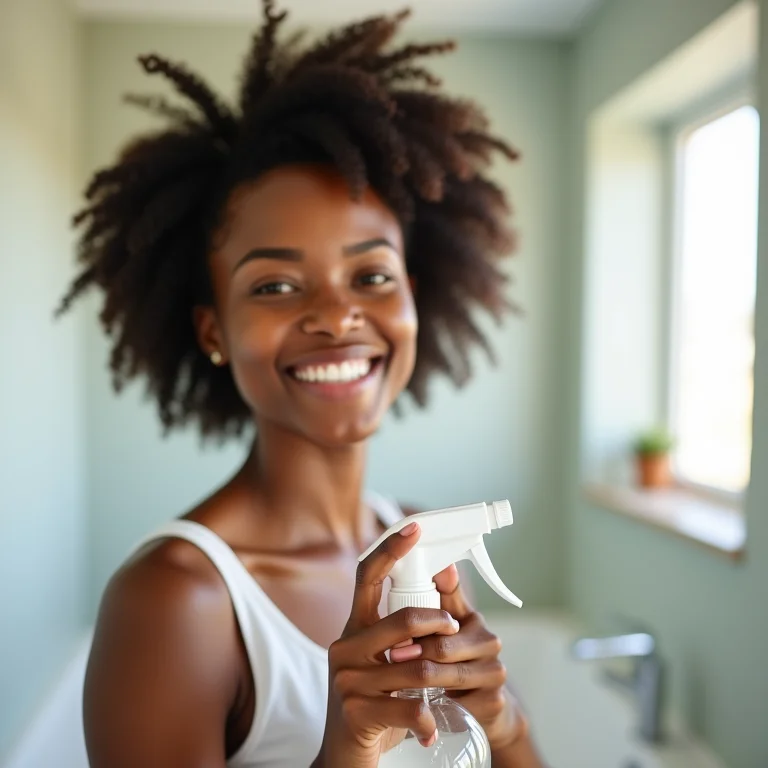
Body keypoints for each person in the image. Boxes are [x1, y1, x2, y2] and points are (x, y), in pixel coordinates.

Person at [57, 2, 543, 766]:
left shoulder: (417, 542)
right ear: (213, 329)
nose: (338, 314)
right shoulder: (175, 600)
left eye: (372, 274)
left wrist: (504, 722)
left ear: (414, 296)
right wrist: (347, 749)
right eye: (277, 286)